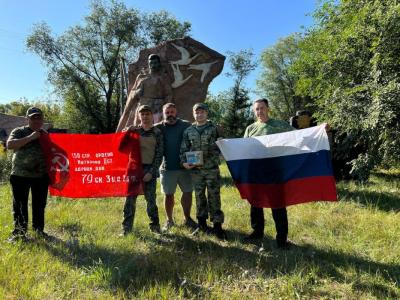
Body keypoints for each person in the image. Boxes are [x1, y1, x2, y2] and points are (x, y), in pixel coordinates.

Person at [243, 99, 295, 249]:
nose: (260, 111)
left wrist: (319, 129)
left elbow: (298, 136)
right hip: (256, 171)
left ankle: (281, 239)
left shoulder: (280, 125)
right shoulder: (250, 128)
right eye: (257, 109)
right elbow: (244, 148)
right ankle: (257, 232)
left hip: (275, 171)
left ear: (268, 109)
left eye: (262, 108)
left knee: (277, 204)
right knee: (255, 203)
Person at [180, 103, 226, 239]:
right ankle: (202, 225)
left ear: (206, 113)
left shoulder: (215, 128)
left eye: (202, 112)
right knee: (199, 197)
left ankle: (217, 227)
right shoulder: (188, 131)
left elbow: (223, 144)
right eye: (197, 112)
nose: (199, 115)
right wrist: (184, 162)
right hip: (196, 170)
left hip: (212, 169)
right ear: (193, 114)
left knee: (214, 196)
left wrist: (221, 151)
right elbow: (184, 149)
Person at [6, 107, 50, 242]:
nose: (37, 120)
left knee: (39, 205)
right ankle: (19, 233)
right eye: (33, 117)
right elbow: (10, 145)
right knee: (20, 205)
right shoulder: (19, 131)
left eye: (39, 117)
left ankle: (39, 230)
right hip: (20, 175)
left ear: (42, 119)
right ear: (27, 119)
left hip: (40, 176)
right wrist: (30, 137)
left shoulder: (45, 134)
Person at [120, 105, 164, 235]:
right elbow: (121, 148)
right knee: (130, 200)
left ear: (152, 116)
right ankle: (126, 229)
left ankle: (155, 228)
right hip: (134, 169)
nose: (145, 117)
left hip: (149, 169)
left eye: (147, 114)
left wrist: (151, 172)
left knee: (151, 200)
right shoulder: (134, 131)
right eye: (142, 114)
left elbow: (159, 154)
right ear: (139, 116)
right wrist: (126, 132)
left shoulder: (157, 133)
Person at [155, 103, 197, 231]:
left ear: (176, 112)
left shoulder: (186, 125)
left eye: (172, 112)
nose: (170, 115)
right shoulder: (158, 127)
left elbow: (198, 131)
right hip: (167, 168)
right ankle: (169, 220)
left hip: (185, 167)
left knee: (188, 192)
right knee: (168, 195)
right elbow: (144, 129)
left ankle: (187, 218)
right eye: (167, 113)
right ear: (163, 114)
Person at [117, 54, 173, 131]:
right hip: (142, 108)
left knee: (157, 131)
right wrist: (137, 92)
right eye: (151, 63)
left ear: (159, 64)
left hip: (157, 109)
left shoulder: (163, 78)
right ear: (148, 64)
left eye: (155, 63)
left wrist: (166, 110)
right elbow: (133, 93)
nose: (153, 65)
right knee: (139, 130)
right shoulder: (141, 77)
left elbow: (168, 94)